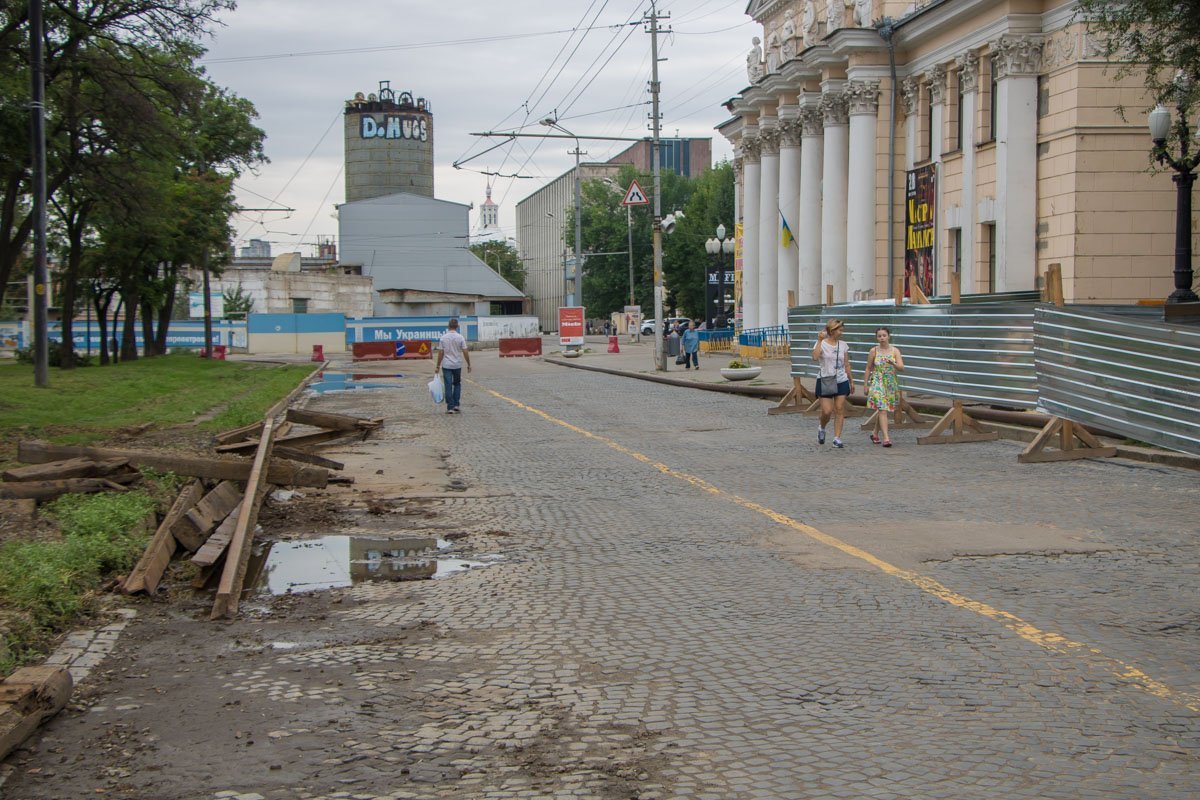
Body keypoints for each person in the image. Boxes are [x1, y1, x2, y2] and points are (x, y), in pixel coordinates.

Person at [811, 319, 854, 448]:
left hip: (841, 379)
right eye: (840, 330)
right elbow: (814, 357)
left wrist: (851, 380)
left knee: (839, 409)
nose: (841, 333)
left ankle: (837, 438)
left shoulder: (843, 345)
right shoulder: (822, 343)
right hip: (826, 379)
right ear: (832, 330)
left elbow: (846, 364)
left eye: (842, 330)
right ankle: (822, 427)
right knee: (827, 411)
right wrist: (819, 340)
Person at [863, 327, 904, 447]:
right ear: (876, 338)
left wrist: (893, 363)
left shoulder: (895, 351)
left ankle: (875, 433)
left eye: (884, 335)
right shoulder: (873, 351)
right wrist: (865, 385)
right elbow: (868, 368)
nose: (882, 338)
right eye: (879, 336)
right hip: (877, 380)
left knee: (883, 409)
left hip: (890, 382)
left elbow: (902, 368)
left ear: (888, 336)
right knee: (882, 408)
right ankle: (886, 438)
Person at [435, 318, 471, 415]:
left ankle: (450, 407)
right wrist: (468, 364)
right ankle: (456, 405)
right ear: (457, 326)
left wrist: (438, 365)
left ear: (448, 326)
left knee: (448, 385)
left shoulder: (443, 338)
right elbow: (465, 351)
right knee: (457, 384)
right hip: (457, 365)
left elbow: (441, 353)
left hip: (446, 365)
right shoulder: (460, 337)